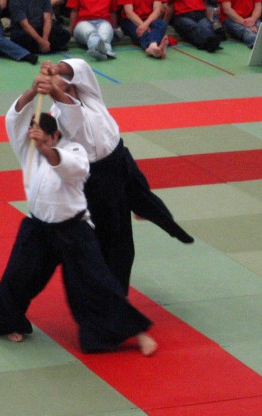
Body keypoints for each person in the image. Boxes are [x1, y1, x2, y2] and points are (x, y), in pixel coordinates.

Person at [0, 77, 158, 356]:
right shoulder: (27, 149)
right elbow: (14, 118)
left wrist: (47, 148)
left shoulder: (75, 150)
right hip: (38, 228)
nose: (37, 145)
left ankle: (135, 333)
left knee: (96, 282)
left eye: (45, 140)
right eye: (35, 140)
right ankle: (6, 322)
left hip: (73, 230)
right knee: (17, 279)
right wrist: (33, 90)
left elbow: (73, 169)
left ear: (56, 136)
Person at [40, 59, 194, 296]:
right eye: (60, 87)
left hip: (120, 157)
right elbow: (68, 107)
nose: (67, 87)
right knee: (116, 238)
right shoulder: (58, 115)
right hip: (97, 177)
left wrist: (56, 69)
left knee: (146, 199)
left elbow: (80, 67)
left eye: (68, 84)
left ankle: (156, 218)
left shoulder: (89, 93)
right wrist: (53, 89)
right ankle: (114, 295)